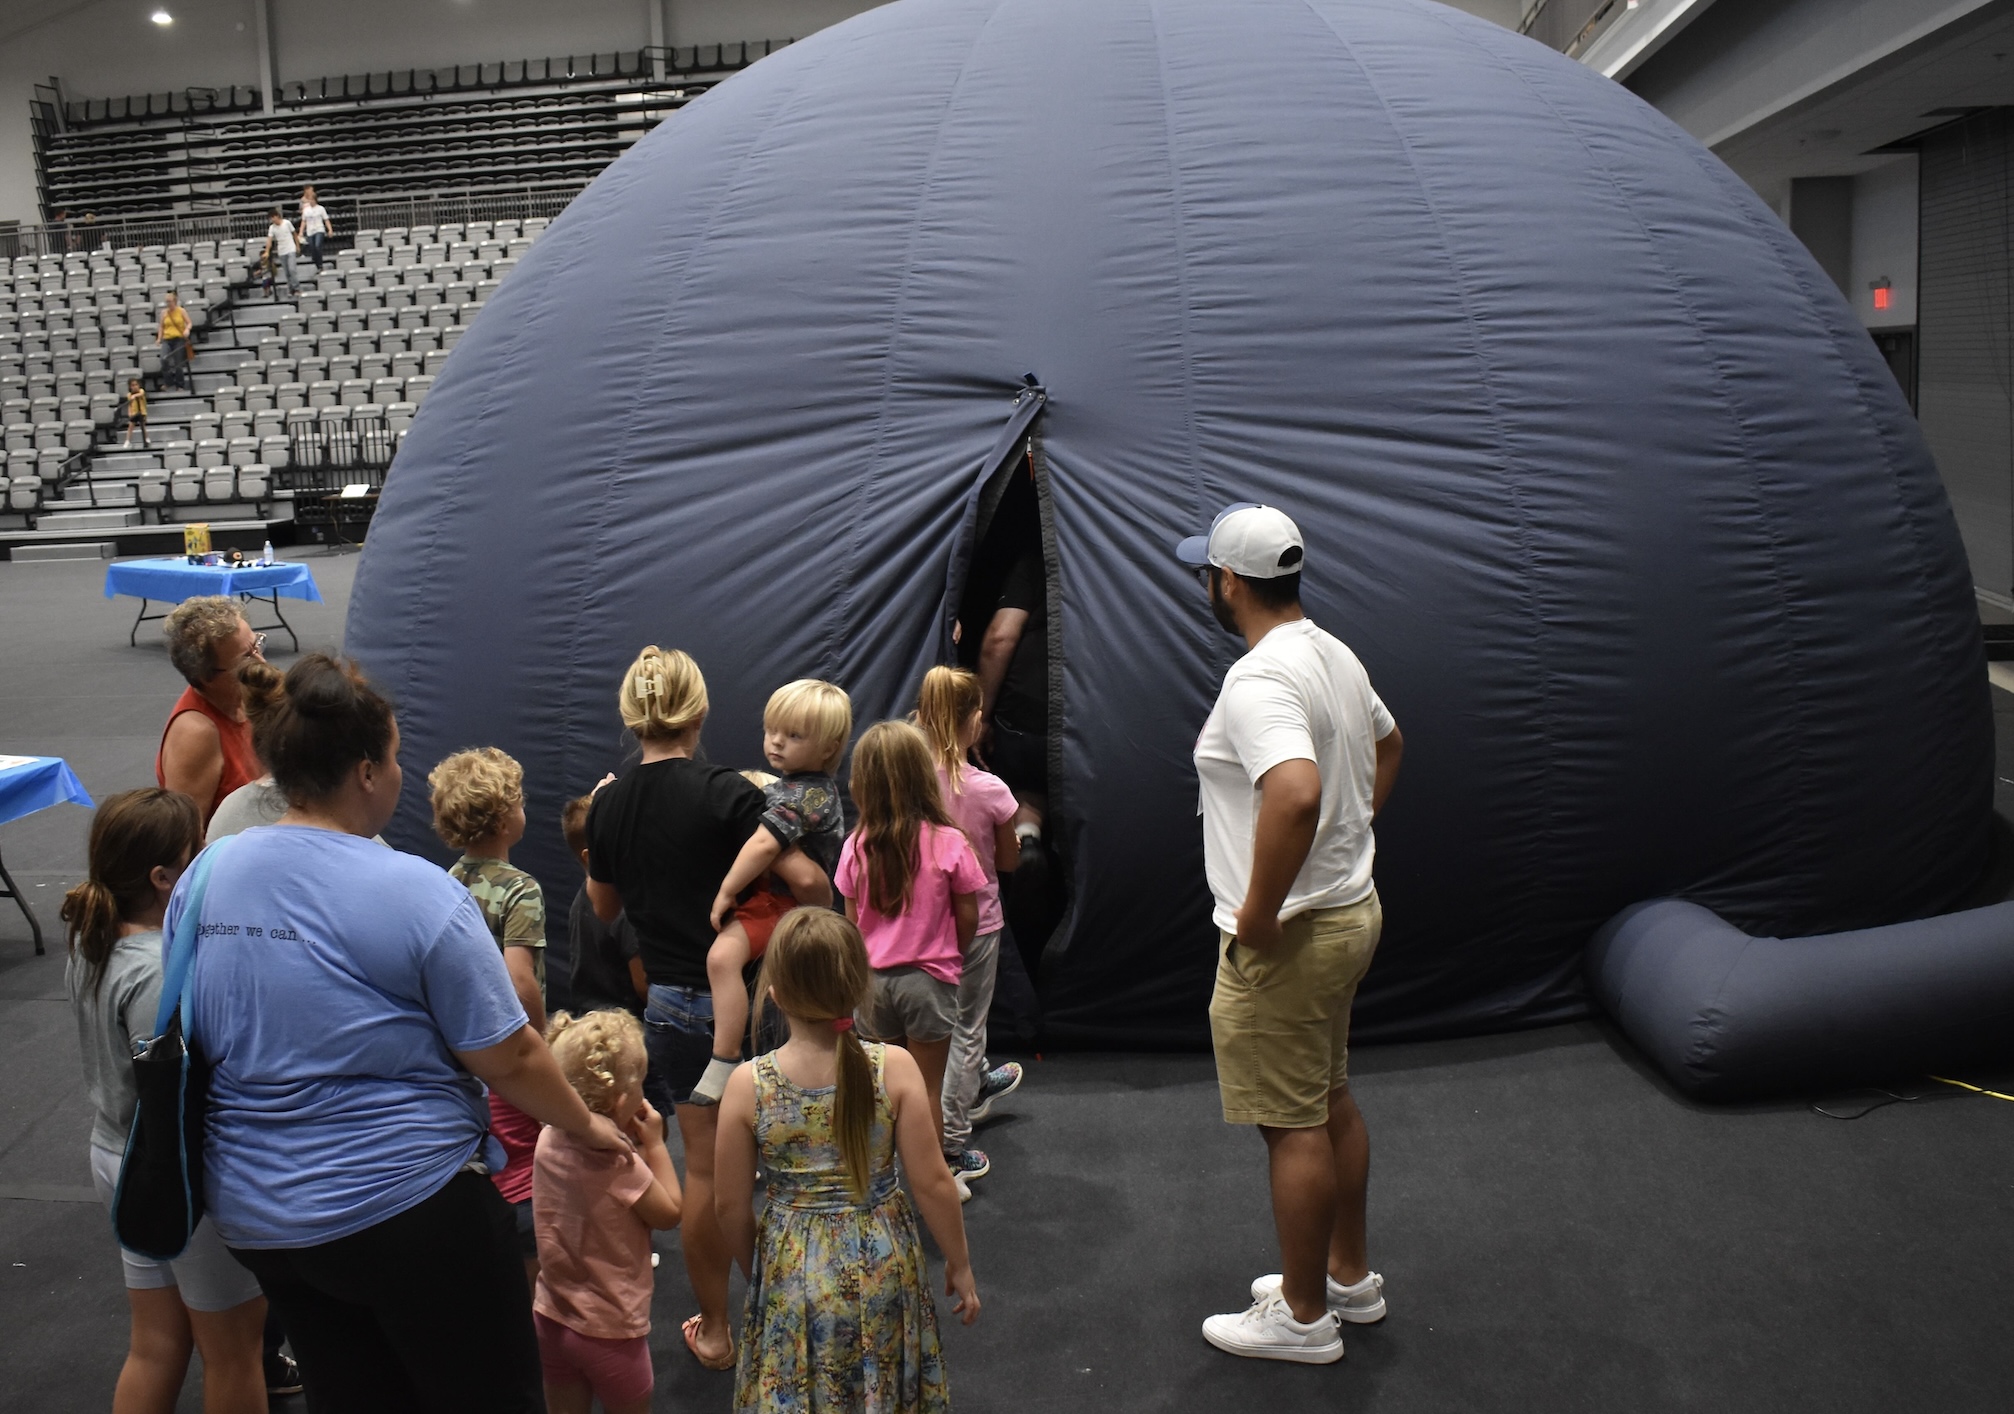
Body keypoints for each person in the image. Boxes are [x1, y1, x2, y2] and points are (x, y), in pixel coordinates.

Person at [172, 653, 630, 1410]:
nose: (398, 770)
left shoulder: (210, 872)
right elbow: (509, 1053)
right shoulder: (414, 891)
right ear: (364, 772)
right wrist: (585, 1125)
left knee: (350, 1392)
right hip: (407, 1211)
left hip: (259, 1217)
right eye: (394, 756)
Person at [1173, 503, 1404, 1365]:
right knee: (1329, 1095)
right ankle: (1347, 1278)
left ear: (1228, 583)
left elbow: (1298, 792)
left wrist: (1263, 910)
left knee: (1293, 1122)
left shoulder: (1260, 678)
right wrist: (1353, 840)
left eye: (1209, 573)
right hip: (1350, 915)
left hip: (1294, 936)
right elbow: (1390, 743)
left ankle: (1304, 1319)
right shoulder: (1332, 651)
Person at [583, 645, 810, 1371]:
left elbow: (602, 904)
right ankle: (798, 1309)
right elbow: (807, 881)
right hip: (755, 1000)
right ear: (701, 712)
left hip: (674, 1008)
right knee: (789, 1164)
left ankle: (717, 1327)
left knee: (708, 1174)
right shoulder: (733, 795)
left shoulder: (609, 802)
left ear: (631, 717)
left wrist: (602, 825)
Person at [716, 908, 977, 1414]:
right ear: (860, 987)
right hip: (883, 1262)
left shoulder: (748, 1086)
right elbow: (934, 1184)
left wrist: (764, 1274)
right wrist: (960, 1265)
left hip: (791, 1266)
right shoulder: (894, 1068)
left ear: (775, 994)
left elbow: (728, 1205)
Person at [62, 788, 269, 1414]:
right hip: (168, 1168)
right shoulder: (159, 972)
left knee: (156, 1341)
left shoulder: (94, 942)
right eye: (196, 852)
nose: (206, 858)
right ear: (163, 878)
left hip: (117, 1153)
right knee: (235, 1351)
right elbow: (181, 1090)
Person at [833, 721, 985, 1163]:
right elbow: (969, 917)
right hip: (929, 982)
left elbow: (850, 924)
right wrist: (948, 954)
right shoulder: (949, 842)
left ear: (861, 783)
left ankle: (884, 1178)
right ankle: (936, 1180)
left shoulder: (855, 846)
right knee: (925, 1091)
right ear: (923, 776)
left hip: (873, 985)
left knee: (884, 1092)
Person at [699, 678, 853, 1102]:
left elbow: (766, 843)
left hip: (785, 904)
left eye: (795, 735)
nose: (777, 743)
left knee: (721, 957)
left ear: (828, 747)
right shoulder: (789, 788)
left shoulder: (808, 795)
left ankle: (724, 1056)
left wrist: (726, 890)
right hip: (781, 901)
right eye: (772, 731)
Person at [431, 746, 548, 1289]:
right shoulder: (520, 889)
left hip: (460, 1050)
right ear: (506, 819)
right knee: (525, 1154)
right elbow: (520, 981)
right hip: (508, 1050)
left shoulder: (444, 881)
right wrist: (540, 1041)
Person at [534, 1010, 684, 1414]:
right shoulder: (619, 1164)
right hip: (612, 1332)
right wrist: (653, 1145)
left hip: (551, 1315)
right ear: (622, 1102)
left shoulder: (547, 1137)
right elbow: (670, 1212)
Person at [914, 666, 1025, 1194]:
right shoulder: (990, 790)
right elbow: (1007, 862)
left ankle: (972, 1083)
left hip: (916, 927)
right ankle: (952, 1146)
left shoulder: (905, 783)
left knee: (936, 1030)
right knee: (965, 1028)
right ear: (973, 723)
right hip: (976, 923)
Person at [156, 597, 264, 829]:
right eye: (245, 658)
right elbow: (186, 840)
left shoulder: (248, 697)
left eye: (257, 645)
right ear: (206, 676)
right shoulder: (197, 735)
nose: (261, 662)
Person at [561, 794, 646, 1016]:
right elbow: (644, 986)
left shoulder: (580, 901)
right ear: (590, 857)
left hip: (590, 1020)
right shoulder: (622, 906)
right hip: (625, 1029)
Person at [157, 292, 192, 392]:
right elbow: (161, 326)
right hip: (167, 339)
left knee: (178, 363)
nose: (168, 304)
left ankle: (180, 384)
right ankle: (168, 381)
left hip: (178, 339)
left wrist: (187, 329)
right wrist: (159, 338)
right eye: (166, 302)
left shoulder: (181, 311)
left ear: (175, 301)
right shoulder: (164, 313)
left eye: (170, 301)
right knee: (163, 359)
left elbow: (189, 323)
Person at [262, 210, 298, 300]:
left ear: (277, 216)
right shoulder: (272, 228)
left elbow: (294, 234)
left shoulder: (287, 223)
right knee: (287, 272)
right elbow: (269, 240)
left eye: (273, 217)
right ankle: (290, 289)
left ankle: (296, 288)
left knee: (292, 269)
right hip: (282, 251)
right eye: (271, 218)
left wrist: (297, 245)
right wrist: (267, 251)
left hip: (290, 248)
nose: (272, 220)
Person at [298, 187, 332, 271]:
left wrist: (330, 229)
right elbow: (303, 221)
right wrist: (301, 232)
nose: (311, 201)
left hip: (319, 229)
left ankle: (320, 264)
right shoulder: (306, 210)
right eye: (309, 199)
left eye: (312, 199)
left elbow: (326, 220)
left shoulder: (321, 209)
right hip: (310, 231)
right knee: (312, 248)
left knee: (317, 246)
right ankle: (317, 264)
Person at [121, 377, 148, 449]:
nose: (135, 386)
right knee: (130, 427)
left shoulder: (141, 391)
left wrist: (135, 396)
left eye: (136, 384)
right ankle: (127, 441)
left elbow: (141, 394)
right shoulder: (129, 395)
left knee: (143, 426)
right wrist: (129, 413)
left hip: (142, 412)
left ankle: (146, 439)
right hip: (134, 412)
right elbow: (130, 405)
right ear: (130, 387)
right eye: (133, 385)